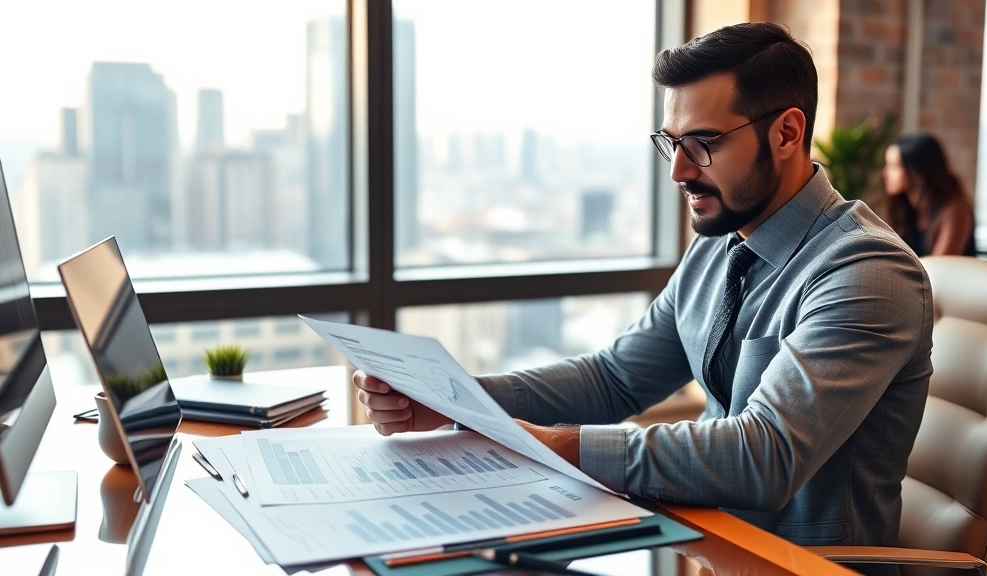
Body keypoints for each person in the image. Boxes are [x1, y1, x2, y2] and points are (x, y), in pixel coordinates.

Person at [354, 22, 932, 562]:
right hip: (708, 546)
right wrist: (458, 399)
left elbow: (766, 456)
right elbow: (617, 378)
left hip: (800, 567)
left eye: (703, 143)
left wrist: (554, 445)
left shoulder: (865, 273)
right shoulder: (722, 238)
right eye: (671, 142)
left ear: (786, 133)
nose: (679, 171)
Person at [881, 133, 977, 256]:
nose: (885, 173)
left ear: (916, 172)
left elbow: (939, 267)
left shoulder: (956, 209)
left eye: (894, 166)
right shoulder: (905, 208)